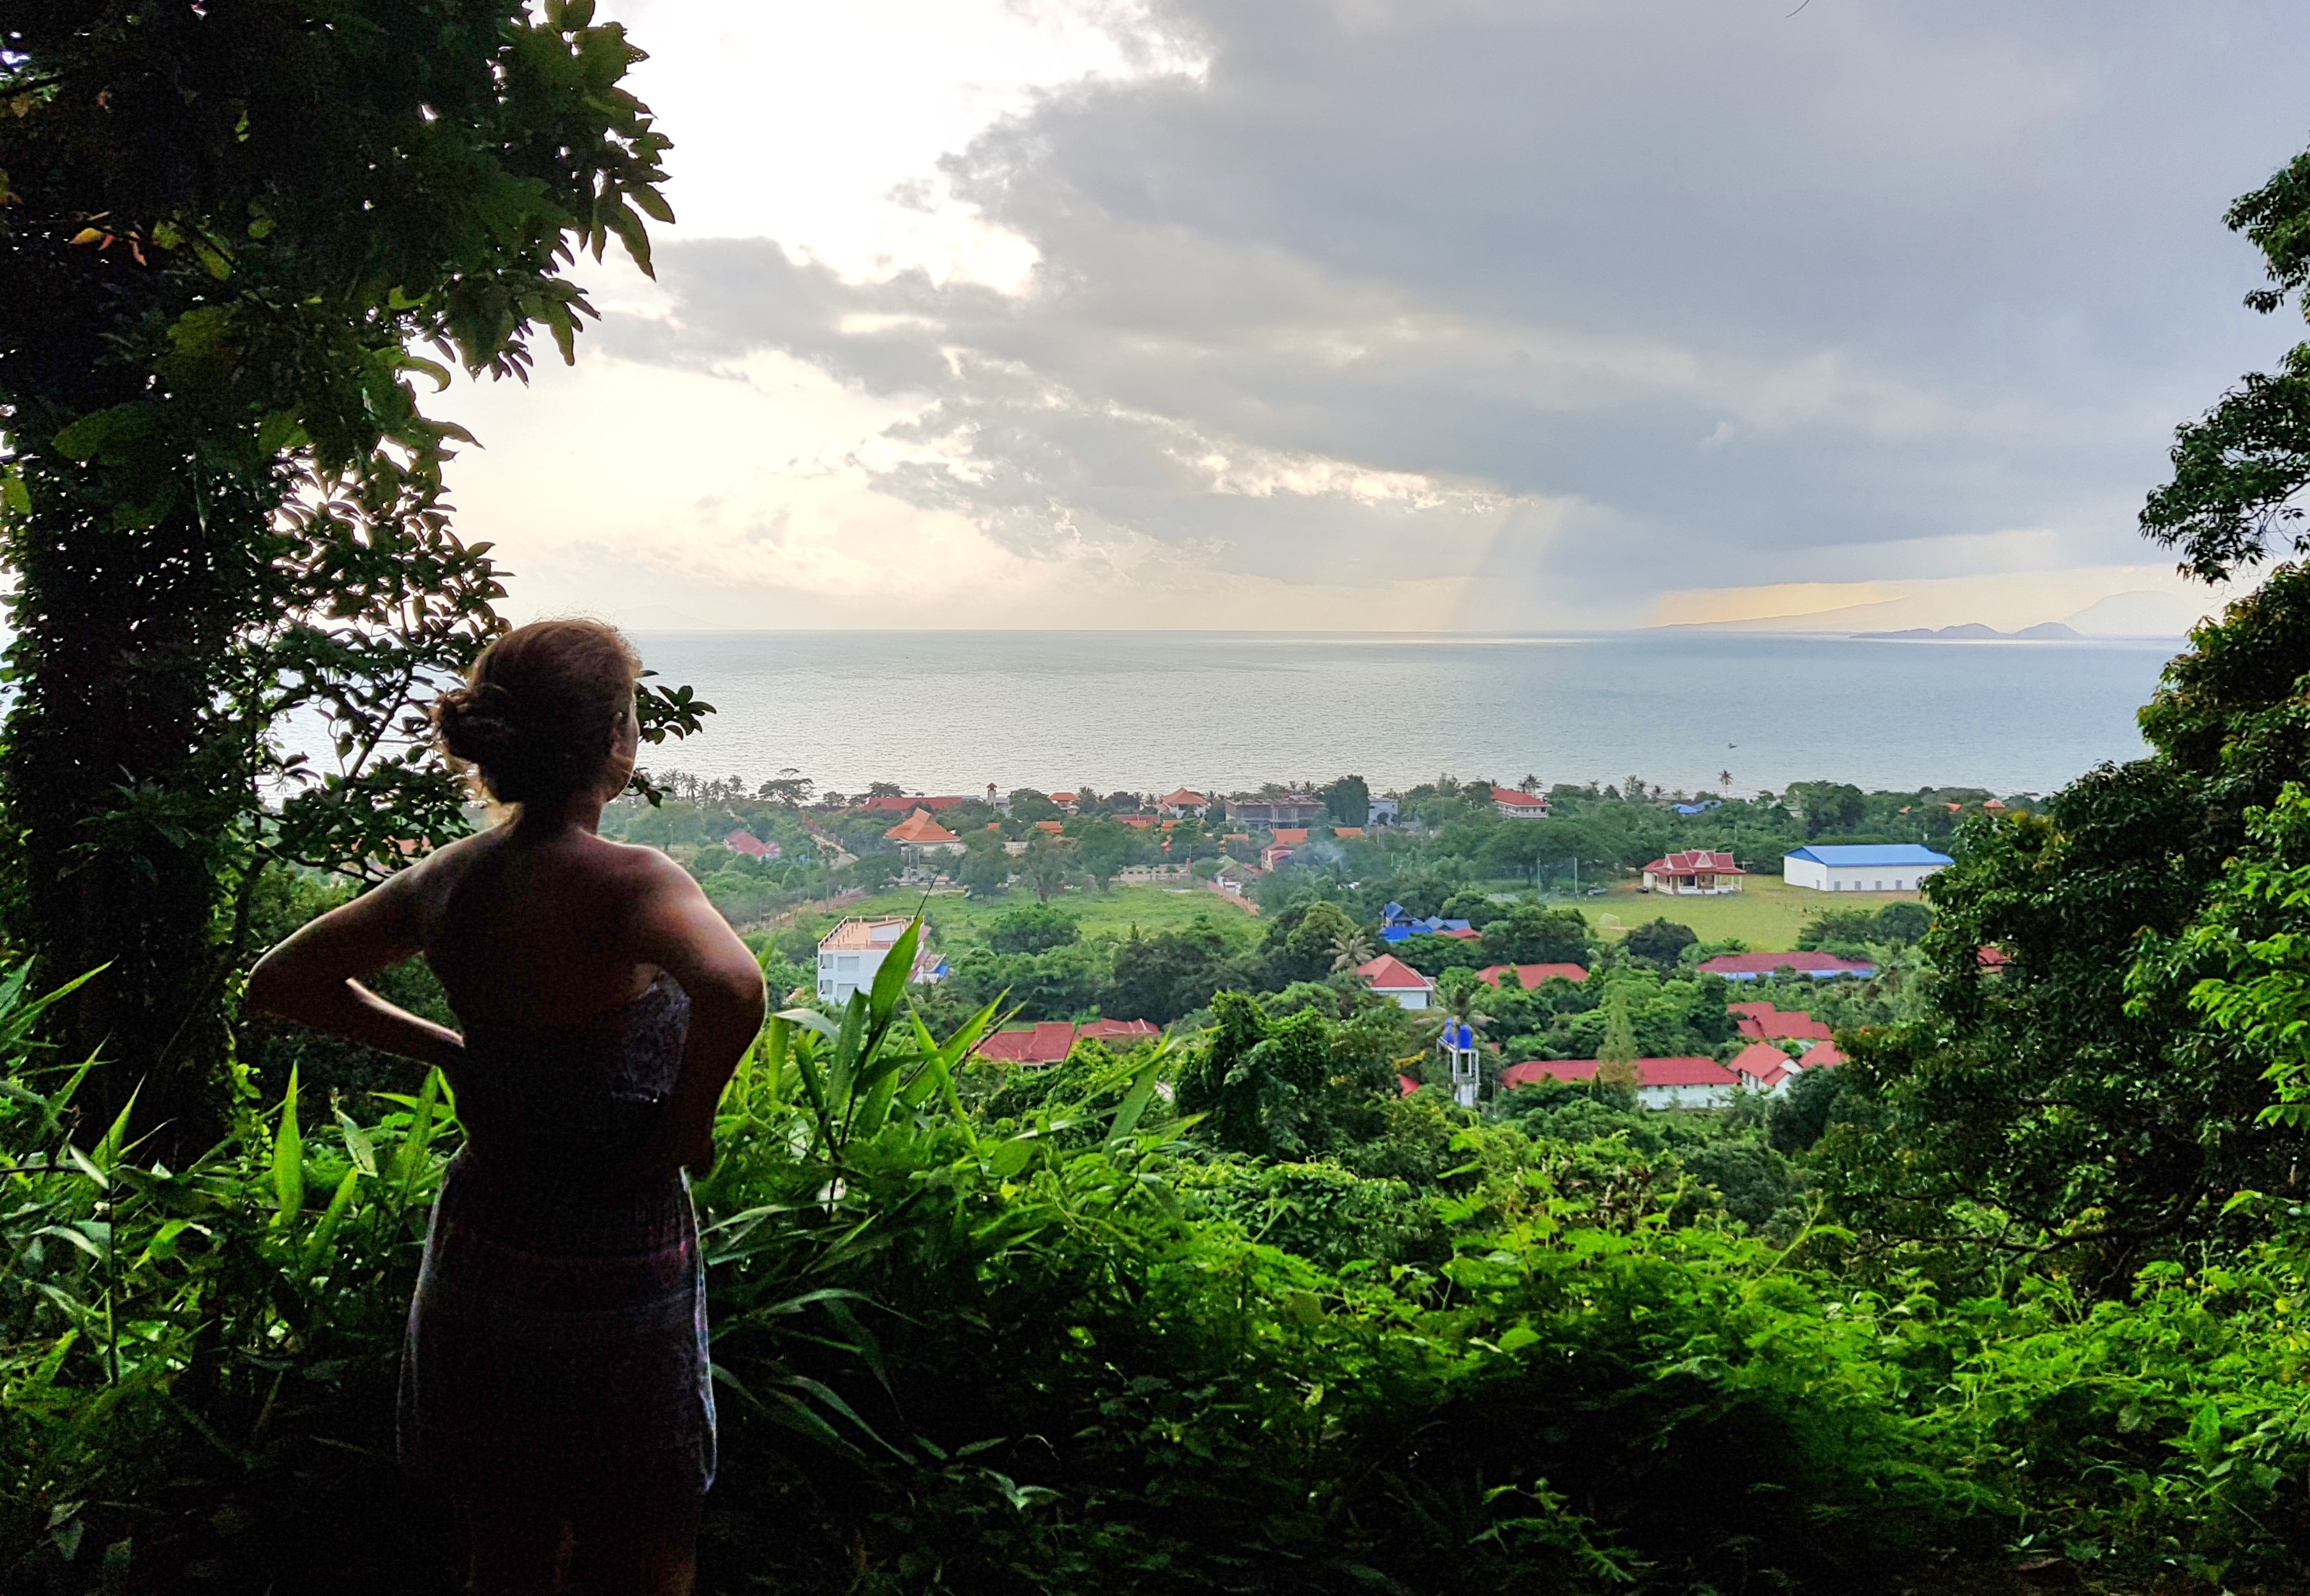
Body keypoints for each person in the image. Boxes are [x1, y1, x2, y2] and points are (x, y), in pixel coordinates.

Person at [248, 620, 767, 1595]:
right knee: (646, 1539)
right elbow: (736, 988)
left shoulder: (448, 878)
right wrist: (687, 1124)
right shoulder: (634, 882)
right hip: (617, 1243)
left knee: (505, 1541)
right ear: (613, 741)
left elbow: (281, 979)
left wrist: (449, 1049)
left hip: (486, 1240)